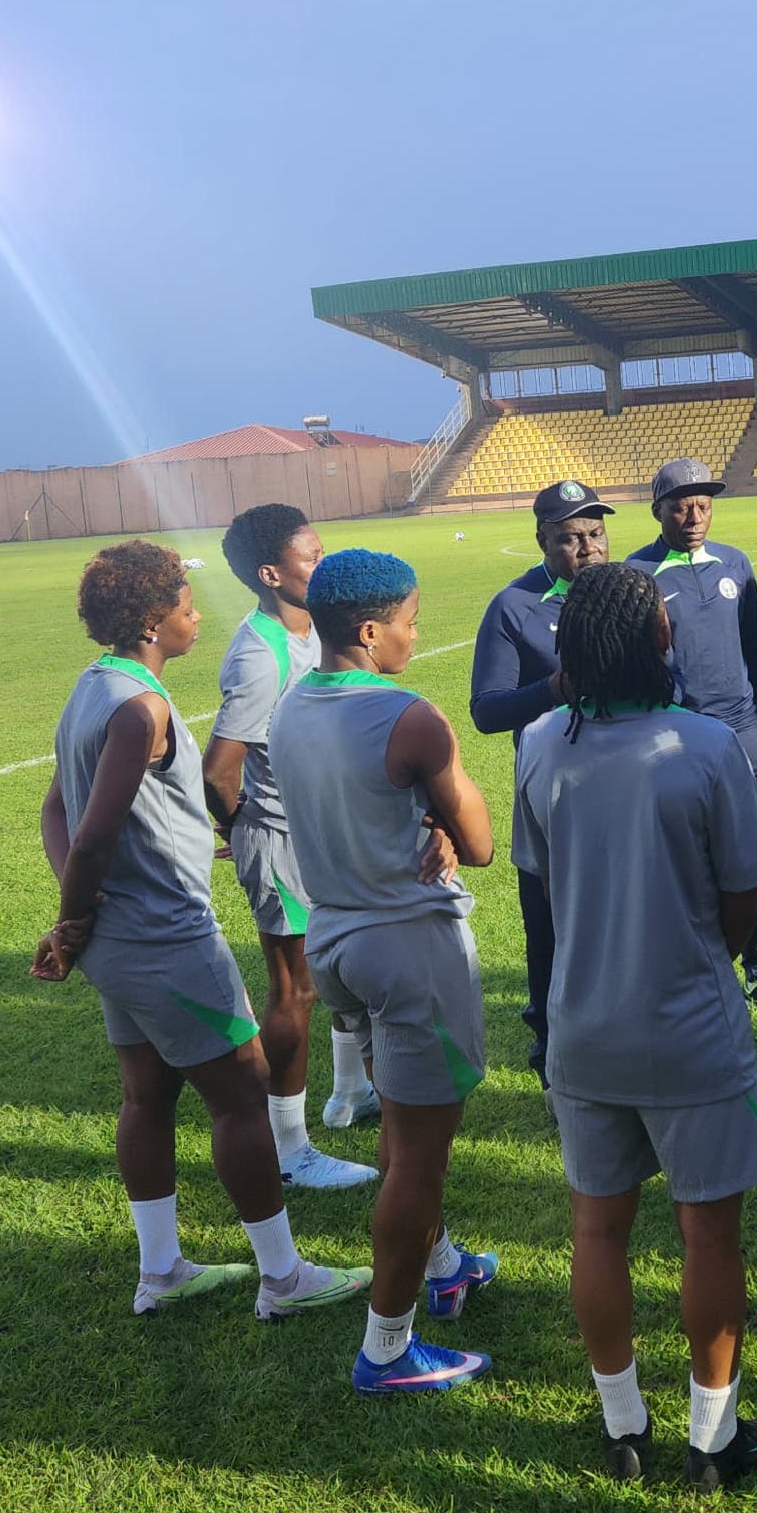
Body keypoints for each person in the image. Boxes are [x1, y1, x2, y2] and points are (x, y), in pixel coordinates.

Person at [515, 561, 757, 1490]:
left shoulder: (539, 745)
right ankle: (712, 1439)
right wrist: (696, 957)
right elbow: (741, 900)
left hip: (582, 1028)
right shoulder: (708, 747)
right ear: (662, 638)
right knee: (709, 1237)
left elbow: (545, 885)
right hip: (690, 1029)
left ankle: (623, 1428)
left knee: (597, 1231)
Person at [32, 540, 371, 1323]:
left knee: (146, 1095)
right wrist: (71, 915)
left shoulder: (92, 686)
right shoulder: (141, 710)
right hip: (166, 937)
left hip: (119, 939)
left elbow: (56, 810)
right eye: (185, 605)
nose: (196, 616)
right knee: (244, 1092)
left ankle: (162, 1270)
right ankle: (283, 1278)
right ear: (152, 620)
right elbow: (90, 835)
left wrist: (78, 916)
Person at [270, 550, 501, 1395]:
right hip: (409, 950)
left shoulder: (291, 706)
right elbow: (480, 843)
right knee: (418, 1161)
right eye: (409, 620)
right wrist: (441, 827)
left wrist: (421, 823)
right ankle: (388, 1349)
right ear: (370, 631)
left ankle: (443, 1265)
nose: (415, 633)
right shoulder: (409, 717)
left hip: (334, 941)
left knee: (401, 1126)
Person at [205, 504, 379, 1187]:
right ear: (271, 574)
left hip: (320, 830)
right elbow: (220, 770)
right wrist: (243, 827)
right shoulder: (259, 653)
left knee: (341, 967)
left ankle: (350, 1093)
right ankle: (287, 1149)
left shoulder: (312, 628)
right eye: (312, 556)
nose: (324, 563)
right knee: (295, 990)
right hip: (281, 837)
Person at [627, 457, 757, 1012]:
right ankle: (694, 974)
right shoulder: (637, 573)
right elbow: (637, 662)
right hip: (678, 738)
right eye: (680, 507)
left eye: (703, 506)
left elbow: (756, 644)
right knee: (685, 859)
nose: (693, 517)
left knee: (752, 857)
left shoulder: (736, 564)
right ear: (658, 511)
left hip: (747, 733)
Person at [469, 478, 616, 1076]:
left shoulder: (625, 591)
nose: (588, 549)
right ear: (542, 541)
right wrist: (554, 689)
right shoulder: (514, 607)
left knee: (627, 907)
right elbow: (486, 710)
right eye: (570, 538)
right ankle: (550, 1037)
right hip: (554, 792)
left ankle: (623, 1021)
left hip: (628, 781)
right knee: (550, 919)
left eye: (596, 533)